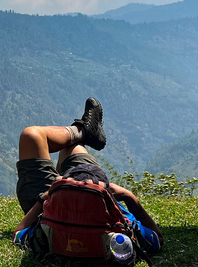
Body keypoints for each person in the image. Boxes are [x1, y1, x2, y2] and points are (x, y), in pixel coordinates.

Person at [13, 98, 163, 252]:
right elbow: (157, 239)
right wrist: (128, 196)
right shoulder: (121, 231)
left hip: (48, 211)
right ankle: (84, 132)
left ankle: (83, 131)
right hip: (76, 197)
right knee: (72, 147)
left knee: (34, 135)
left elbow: (18, 235)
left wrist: (43, 198)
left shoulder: (45, 233)